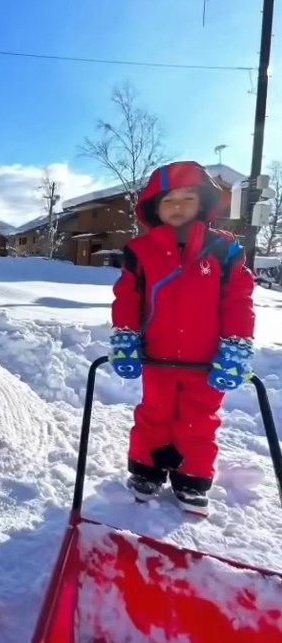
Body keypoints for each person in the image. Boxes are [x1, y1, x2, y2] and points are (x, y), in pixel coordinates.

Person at [109, 161, 255, 515]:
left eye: (187, 198)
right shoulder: (141, 251)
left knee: (199, 418)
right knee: (154, 413)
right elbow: (128, 297)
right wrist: (125, 337)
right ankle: (147, 470)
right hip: (158, 356)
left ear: (203, 202)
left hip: (207, 360)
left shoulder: (224, 250)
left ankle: (192, 477)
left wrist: (236, 345)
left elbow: (239, 299)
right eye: (168, 200)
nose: (177, 206)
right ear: (154, 207)